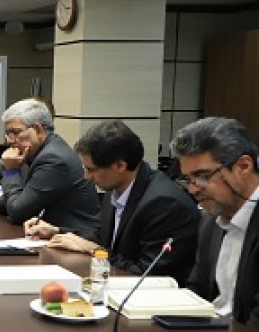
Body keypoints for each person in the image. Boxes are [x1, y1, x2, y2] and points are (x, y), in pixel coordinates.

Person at [25, 120, 199, 283]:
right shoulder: (115, 188)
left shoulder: (163, 203)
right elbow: (106, 237)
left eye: (91, 169)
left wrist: (95, 251)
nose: (86, 177)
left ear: (120, 166)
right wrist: (56, 231)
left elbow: (148, 275)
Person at [0, 99, 99, 236]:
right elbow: (19, 198)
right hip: (46, 234)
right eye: (8, 133)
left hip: (75, 238)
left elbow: (17, 212)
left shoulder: (53, 159)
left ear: (38, 130)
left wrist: (11, 170)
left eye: (16, 132)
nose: (10, 140)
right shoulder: (36, 151)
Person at [171, 117, 259, 325]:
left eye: (203, 176)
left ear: (243, 166)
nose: (192, 189)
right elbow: (198, 292)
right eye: (188, 179)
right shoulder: (210, 221)